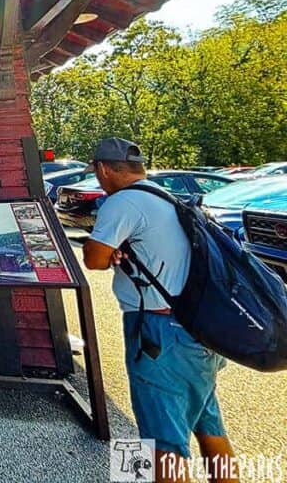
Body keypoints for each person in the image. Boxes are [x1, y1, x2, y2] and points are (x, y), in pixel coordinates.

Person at [81, 138, 236, 483]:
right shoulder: (166, 197)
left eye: (97, 171)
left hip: (159, 331)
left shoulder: (122, 203)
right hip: (198, 326)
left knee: (160, 438)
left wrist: (105, 249)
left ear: (105, 169)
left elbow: (93, 258)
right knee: (207, 421)